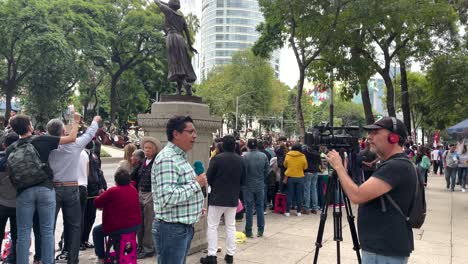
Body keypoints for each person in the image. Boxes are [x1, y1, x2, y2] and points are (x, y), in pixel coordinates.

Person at [326, 117, 416, 264]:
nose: (369, 138)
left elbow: (356, 195)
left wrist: (339, 167)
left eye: (375, 132)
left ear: (393, 137)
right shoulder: (397, 163)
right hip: (382, 248)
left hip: (384, 250)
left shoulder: (396, 166)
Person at [7, 113, 81, 264]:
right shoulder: (42, 139)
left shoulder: (11, 148)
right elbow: (71, 139)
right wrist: (76, 122)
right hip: (45, 189)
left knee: (23, 233)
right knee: (47, 231)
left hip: (23, 193)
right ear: (29, 126)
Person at [152, 116, 207, 264]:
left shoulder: (180, 157)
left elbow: (181, 188)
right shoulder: (167, 159)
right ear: (176, 134)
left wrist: (195, 208)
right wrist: (197, 184)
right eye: (191, 132)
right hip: (171, 230)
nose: (195, 136)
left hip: (181, 229)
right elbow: (167, 197)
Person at [47, 115, 101, 263]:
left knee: (48, 226)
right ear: (64, 130)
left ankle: (47, 258)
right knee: (75, 226)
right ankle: (72, 259)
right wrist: (95, 121)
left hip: (53, 188)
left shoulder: (46, 145)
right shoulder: (75, 145)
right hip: (72, 188)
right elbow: (90, 134)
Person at [200, 135, 246, 264]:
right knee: (230, 226)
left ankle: (212, 255)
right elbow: (243, 180)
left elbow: (208, 177)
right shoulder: (240, 160)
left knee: (213, 226)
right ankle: (230, 254)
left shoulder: (217, 159)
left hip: (217, 197)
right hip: (233, 198)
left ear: (222, 145)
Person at [93, 168, 141, 263]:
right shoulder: (133, 189)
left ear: (116, 180)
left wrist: (101, 196)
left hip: (118, 226)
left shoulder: (113, 191)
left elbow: (97, 203)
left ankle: (101, 257)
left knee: (97, 231)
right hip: (134, 226)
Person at [154, 0, 198, 95]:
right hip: (181, 40)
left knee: (176, 65)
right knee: (181, 64)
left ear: (170, 4)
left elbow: (157, 2)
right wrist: (190, 46)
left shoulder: (168, 11)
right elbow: (186, 32)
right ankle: (180, 90)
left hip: (172, 38)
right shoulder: (181, 16)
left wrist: (166, 4)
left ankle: (185, 85)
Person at [136, 137, 162, 259]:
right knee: (139, 222)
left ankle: (148, 248)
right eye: (145, 148)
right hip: (141, 193)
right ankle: (140, 245)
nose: (147, 150)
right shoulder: (143, 162)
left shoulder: (157, 161)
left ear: (155, 149)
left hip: (151, 194)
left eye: (149, 148)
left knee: (149, 222)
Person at [81, 141, 107, 250]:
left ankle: (84, 240)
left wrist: (102, 187)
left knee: (90, 217)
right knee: (80, 218)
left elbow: (99, 172)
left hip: (93, 191)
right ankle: (75, 241)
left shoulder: (94, 156)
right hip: (84, 190)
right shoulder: (80, 154)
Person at [242, 138, 269, 237]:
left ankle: (249, 230)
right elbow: (267, 170)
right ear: (257, 146)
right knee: (260, 207)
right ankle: (260, 230)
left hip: (248, 185)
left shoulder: (245, 156)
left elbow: (243, 171)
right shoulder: (263, 156)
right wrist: (262, 178)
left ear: (248, 146)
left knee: (249, 208)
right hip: (260, 184)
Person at [0, 132, 19, 264]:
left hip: (1, 204)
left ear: (4, 145)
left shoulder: (1, 160)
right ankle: (13, 260)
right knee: (17, 236)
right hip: (19, 204)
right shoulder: (22, 159)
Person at [283, 143, 308, 217]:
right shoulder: (302, 156)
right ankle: (299, 211)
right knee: (299, 195)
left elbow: (285, 164)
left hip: (290, 177)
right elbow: (305, 166)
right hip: (300, 177)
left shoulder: (288, 155)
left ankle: (287, 211)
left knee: (289, 194)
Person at [302, 145, 321, 214]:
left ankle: (306, 207)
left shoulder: (305, 152)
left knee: (307, 190)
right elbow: (319, 163)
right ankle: (315, 208)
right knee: (314, 189)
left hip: (307, 171)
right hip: (315, 172)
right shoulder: (317, 153)